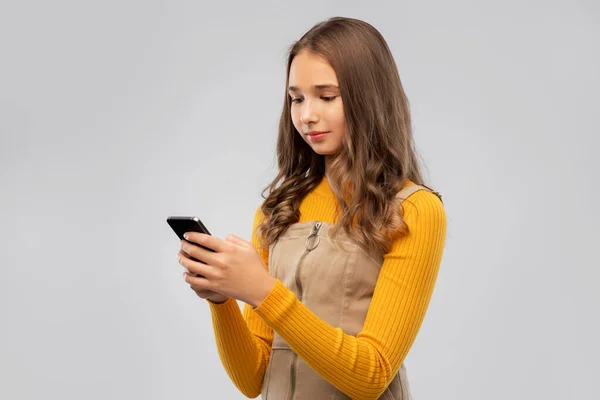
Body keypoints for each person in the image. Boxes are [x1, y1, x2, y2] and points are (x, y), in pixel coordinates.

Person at [177, 16, 447, 400]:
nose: (307, 115)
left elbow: (371, 376)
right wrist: (222, 299)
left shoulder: (415, 210)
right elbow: (253, 379)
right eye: (296, 98)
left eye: (327, 96)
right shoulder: (277, 211)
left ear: (367, 97)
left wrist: (263, 291)